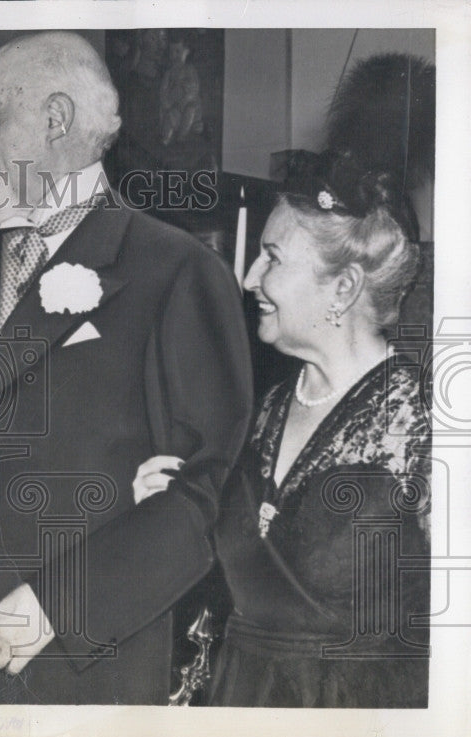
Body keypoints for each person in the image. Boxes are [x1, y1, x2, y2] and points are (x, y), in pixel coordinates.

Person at [0, 31, 254, 705]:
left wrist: (54, 607)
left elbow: (207, 492)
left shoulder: (177, 272)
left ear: (55, 120)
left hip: (74, 671)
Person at [134, 160, 431, 706]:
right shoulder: (265, 408)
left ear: (342, 287)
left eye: (271, 258)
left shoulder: (428, 422)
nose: (248, 279)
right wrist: (176, 508)